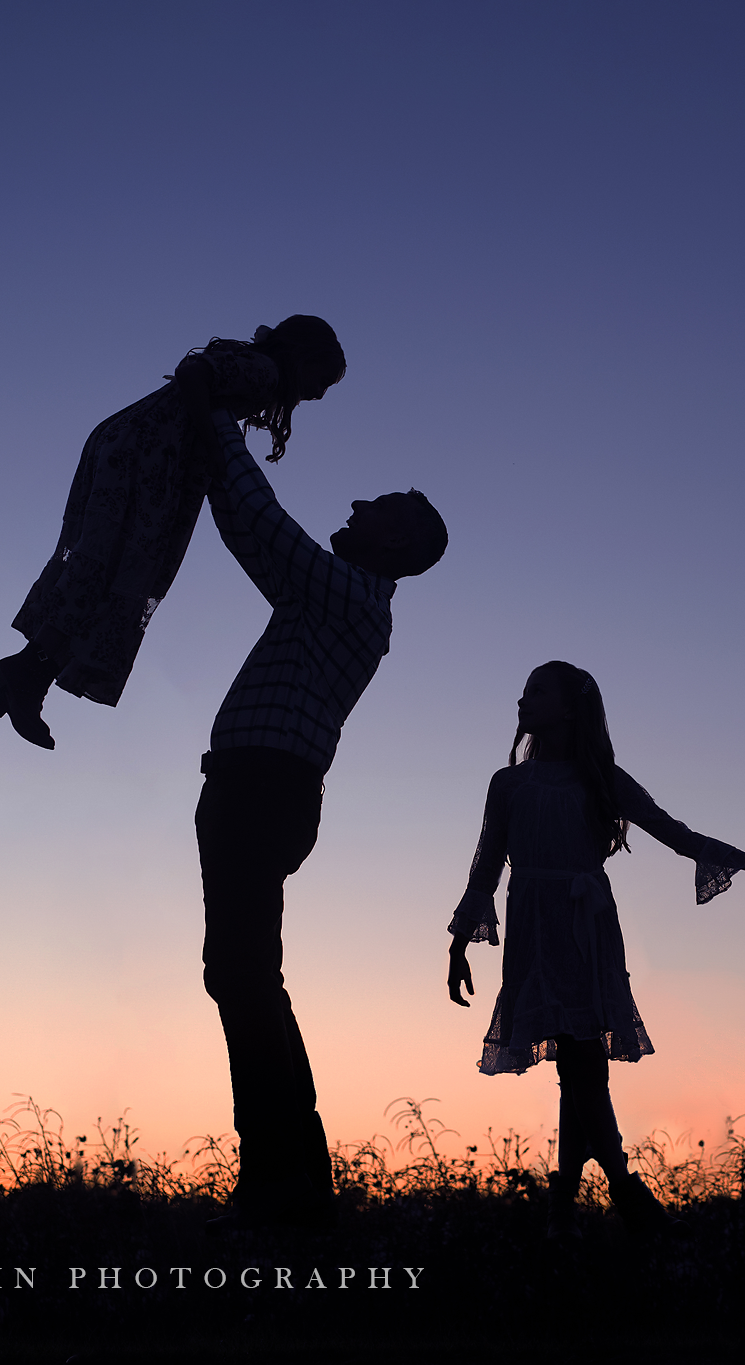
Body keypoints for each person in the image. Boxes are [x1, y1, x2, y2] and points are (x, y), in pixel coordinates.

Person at [189, 356, 448, 1230]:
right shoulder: (328, 599)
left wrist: (215, 413)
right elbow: (246, 530)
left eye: (381, 509)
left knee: (243, 972)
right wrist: (212, 433)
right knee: (242, 972)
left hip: (263, 787)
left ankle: (282, 1178)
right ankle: (289, 1173)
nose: (358, 506)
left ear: (397, 547)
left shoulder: (351, 597)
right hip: (253, 786)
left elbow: (261, 525)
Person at [447, 661, 745, 1239]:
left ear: (569, 707)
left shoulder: (603, 778)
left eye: (538, 690)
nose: (524, 698)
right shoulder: (508, 783)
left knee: (581, 1059)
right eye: (525, 690)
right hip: (532, 928)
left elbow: (675, 833)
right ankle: (582, 1198)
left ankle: (594, 1193)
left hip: (583, 927)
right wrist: (460, 941)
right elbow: (486, 863)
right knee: (578, 1063)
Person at [0, 315, 348, 749]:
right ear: (302, 357)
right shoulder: (265, 372)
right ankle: (27, 675)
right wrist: (212, 443)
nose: (318, 394)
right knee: (117, 568)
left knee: (105, 564)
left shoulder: (255, 367)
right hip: (150, 460)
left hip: (134, 448)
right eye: (321, 380)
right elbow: (195, 374)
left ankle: (27, 674)